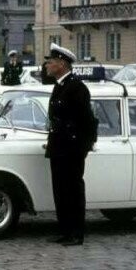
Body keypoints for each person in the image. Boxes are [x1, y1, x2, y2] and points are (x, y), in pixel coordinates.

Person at [44, 43, 98, 247]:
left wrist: (82, 147)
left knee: (73, 190)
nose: (47, 65)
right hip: (58, 146)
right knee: (60, 190)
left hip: (72, 148)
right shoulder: (60, 86)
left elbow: (87, 121)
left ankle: (76, 232)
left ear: (62, 64)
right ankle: (65, 230)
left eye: (51, 61)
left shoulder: (76, 87)